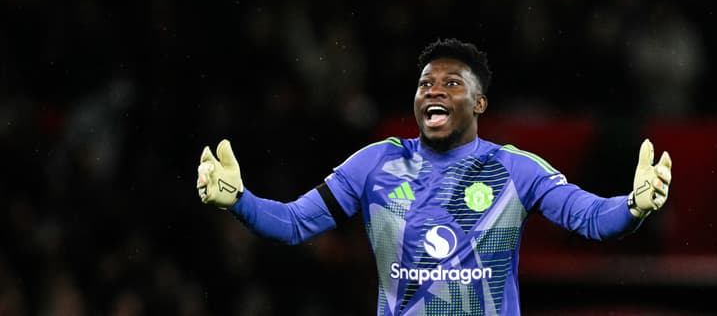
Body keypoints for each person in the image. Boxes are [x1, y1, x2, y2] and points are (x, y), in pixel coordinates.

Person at [196, 38, 672, 315]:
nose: (433, 91)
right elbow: (295, 223)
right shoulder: (375, 164)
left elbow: (590, 217)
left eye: (450, 83)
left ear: (479, 103)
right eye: (425, 83)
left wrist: (634, 207)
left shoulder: (514, 169)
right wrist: (238, 200)